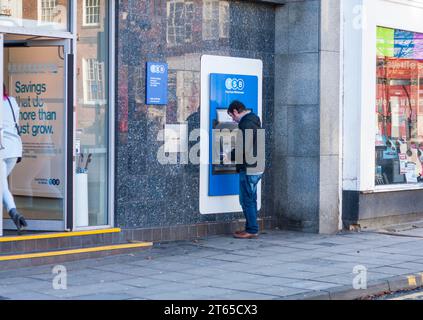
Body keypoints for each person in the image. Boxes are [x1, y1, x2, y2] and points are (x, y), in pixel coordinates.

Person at [227, 100, 264, 239]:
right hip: (257, 165)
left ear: (236, 111)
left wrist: (229, 155)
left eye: (232, 116)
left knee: (246, 200)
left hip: (249, 167)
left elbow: (244, 146)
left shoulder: (246, 123)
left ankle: (251, 229)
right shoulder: (254, 120)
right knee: (251, 198)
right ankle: (252, 227)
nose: (233, 119)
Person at [1, 84, 27, 233]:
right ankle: (14, 213)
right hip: (14, 148)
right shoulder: (12, 102)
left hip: (2, 148)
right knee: (1, 183)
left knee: (1, 184)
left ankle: (13, 212)